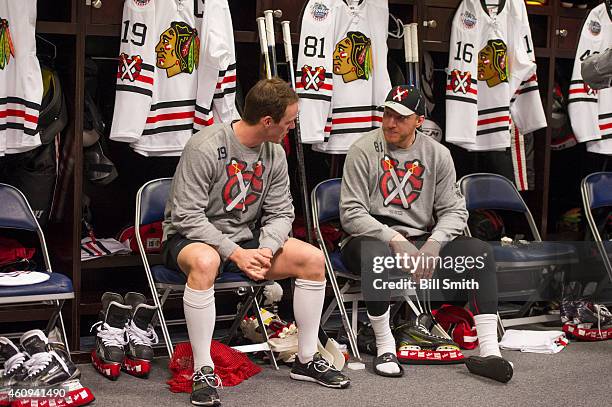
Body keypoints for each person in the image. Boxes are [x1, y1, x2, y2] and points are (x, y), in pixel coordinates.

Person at [162, 78, 350, 406]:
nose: (293, 127)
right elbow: (186, 218)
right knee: (206, 261)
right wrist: (234, 253)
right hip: (190, 238)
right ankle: (203, 369)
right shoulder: (205, 146)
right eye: (289, 121)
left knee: (313, 259)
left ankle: (307, 358)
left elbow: (281, 212)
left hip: (245, 239)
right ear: (267, 121)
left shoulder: (275, 153)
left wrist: (266, 248)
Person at [339, 85, 513, 383]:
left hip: (421, 238)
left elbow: (455, 211)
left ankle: (489, 351)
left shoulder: (437, 154)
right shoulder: (363, 149)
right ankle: (385, 346)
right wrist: (394, 240)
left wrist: (434, 244)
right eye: (388, 114)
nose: (391, 122)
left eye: (400, 117)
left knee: (480, 252)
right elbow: (351, 213)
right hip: (369, 238)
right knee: (376, 255)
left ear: (419, 120)